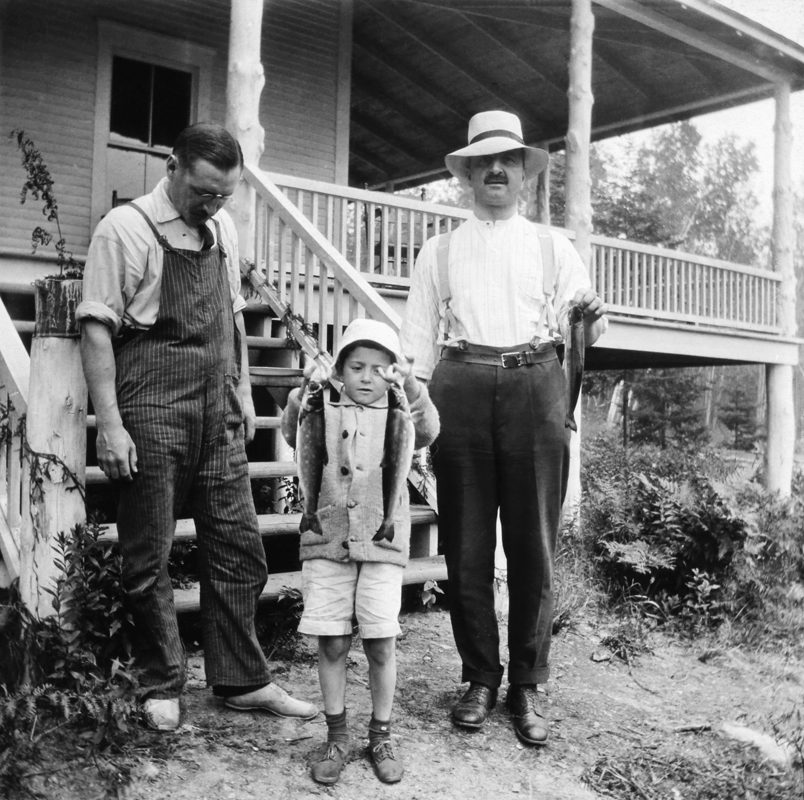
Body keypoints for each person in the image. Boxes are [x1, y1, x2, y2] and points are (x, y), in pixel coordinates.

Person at [77, 122, 317, 731]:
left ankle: (241, 679)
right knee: (148, 551)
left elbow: (233, 315)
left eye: (224, 195)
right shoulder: (125, 229)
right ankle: (159, 682)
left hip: (216, 407)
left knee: (239, 546)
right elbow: (97, 328)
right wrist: (110, 425)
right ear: (172, 166)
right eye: (204, 191)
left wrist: (239, 386)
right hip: (151, 404)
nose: (212, 204)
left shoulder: (223, 229)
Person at [399, 110, 607, 746]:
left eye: (508, 161)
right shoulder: (440, 250)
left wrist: (590, 315)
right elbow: (416, 343)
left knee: (532, 546)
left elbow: (587, 326)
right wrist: (414, 406)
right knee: (463, 546)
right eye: (483, 162)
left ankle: (527, 684)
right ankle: (480, 677)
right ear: (466, 175)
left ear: (523, 175)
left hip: (537, 381)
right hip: (459, 382)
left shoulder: (553, 246)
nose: (496, 170)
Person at [280, 318, 439, 786]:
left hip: (383, 544)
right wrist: (300, 393)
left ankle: (381, 734)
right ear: (340, 371)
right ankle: (336, 734)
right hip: (325, 539)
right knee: (331, 641)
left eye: (378, 368)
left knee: (380, 641)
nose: (366, 377)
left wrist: (409, 383)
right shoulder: (320, 406)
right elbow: (293, 431)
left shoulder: (399, 410)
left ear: (391, 373)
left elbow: (428, 428)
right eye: (356, 366)